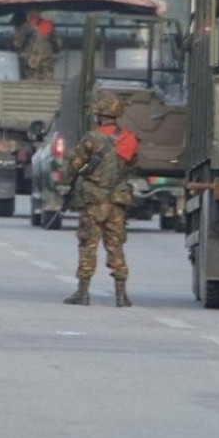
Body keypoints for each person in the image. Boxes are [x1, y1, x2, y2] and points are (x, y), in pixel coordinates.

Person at [62, 91, 139, 307]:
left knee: (88, 244)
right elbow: (132, 165)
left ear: (98, 114)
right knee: (116, 246)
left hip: (94, 201)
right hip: (117, 202)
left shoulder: (91, 139)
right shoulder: (129, 138)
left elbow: (73, 167)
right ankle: (121, 295)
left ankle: (83, 292)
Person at [12, 9, 61, 81]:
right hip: (32, 66)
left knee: (45, 84)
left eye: (36, 10)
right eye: (33, 10)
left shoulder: (46, 25)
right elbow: (17, 44)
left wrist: (52, 34)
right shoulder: (25, 27)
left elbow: (58, 46)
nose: (34, 13)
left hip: (44, 65)